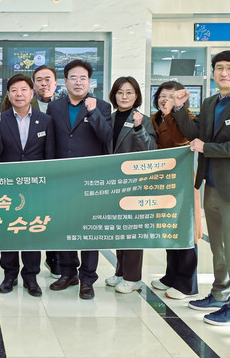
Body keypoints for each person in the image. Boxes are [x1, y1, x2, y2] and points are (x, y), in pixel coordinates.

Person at [171, 50, 230, 326]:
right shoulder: (211, 103)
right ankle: (220, 293)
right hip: (211, 183)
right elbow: (194, 134)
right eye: (219, 67)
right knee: (218, 247)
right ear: (212, 73)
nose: (224, 72)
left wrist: (208, 148)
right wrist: (179, 109)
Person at [47, 59, 112, 300]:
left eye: (83, 78)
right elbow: (50, 141)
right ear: (65, 82)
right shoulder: (55, 107)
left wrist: (93, 113)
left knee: (89, 229)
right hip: (62, 178)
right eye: (73, 77)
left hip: (90, 179)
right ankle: (68, 273)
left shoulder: (102, 106)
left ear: (89, 82)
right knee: (65, 226)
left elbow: (106, 137)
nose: (78, 82)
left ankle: (87, 278)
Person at [0, 74, 54, 297]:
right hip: (8, 185)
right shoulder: (1, 118)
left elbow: (49, 156)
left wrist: (47, 185)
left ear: (31, 93)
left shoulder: (45, 120)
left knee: (32, 230)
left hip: (35, 186)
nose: (19, 94)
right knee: (9, 230)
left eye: (24, 89)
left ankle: (31, 276)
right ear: (8, 95)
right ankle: (9, 275)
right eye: (14, 90)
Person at [104, 77, 157, 294]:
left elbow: (151, 150)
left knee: (133, 230)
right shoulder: (109, 118)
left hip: (135, 183)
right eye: (120, 92)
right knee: (119, 228)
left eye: (129, 92)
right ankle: (120, 271)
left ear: (137, 96)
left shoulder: (143, 120)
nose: (124, 97)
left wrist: (138, 128)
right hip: (114, 182)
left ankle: (133, 277)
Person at [149, 81, 202, 300]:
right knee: (169, 228)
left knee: (185, 230)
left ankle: (187, 284)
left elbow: (181, 139)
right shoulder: (154, 119)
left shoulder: (187, 119)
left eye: (171, 96)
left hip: (181, 182)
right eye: (162, 95)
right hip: (162, 181)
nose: (165, 100)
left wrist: (174, 113)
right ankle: (171, 276)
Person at [31, 65, 60, 277]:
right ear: (33, 84)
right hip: (31, 169)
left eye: (48, 79)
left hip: (57, 170)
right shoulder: (23, 100)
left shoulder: (64, 105)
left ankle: (54, 258)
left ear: (56, 83)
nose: (44, 83)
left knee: (54, 217)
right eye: (39, 80)